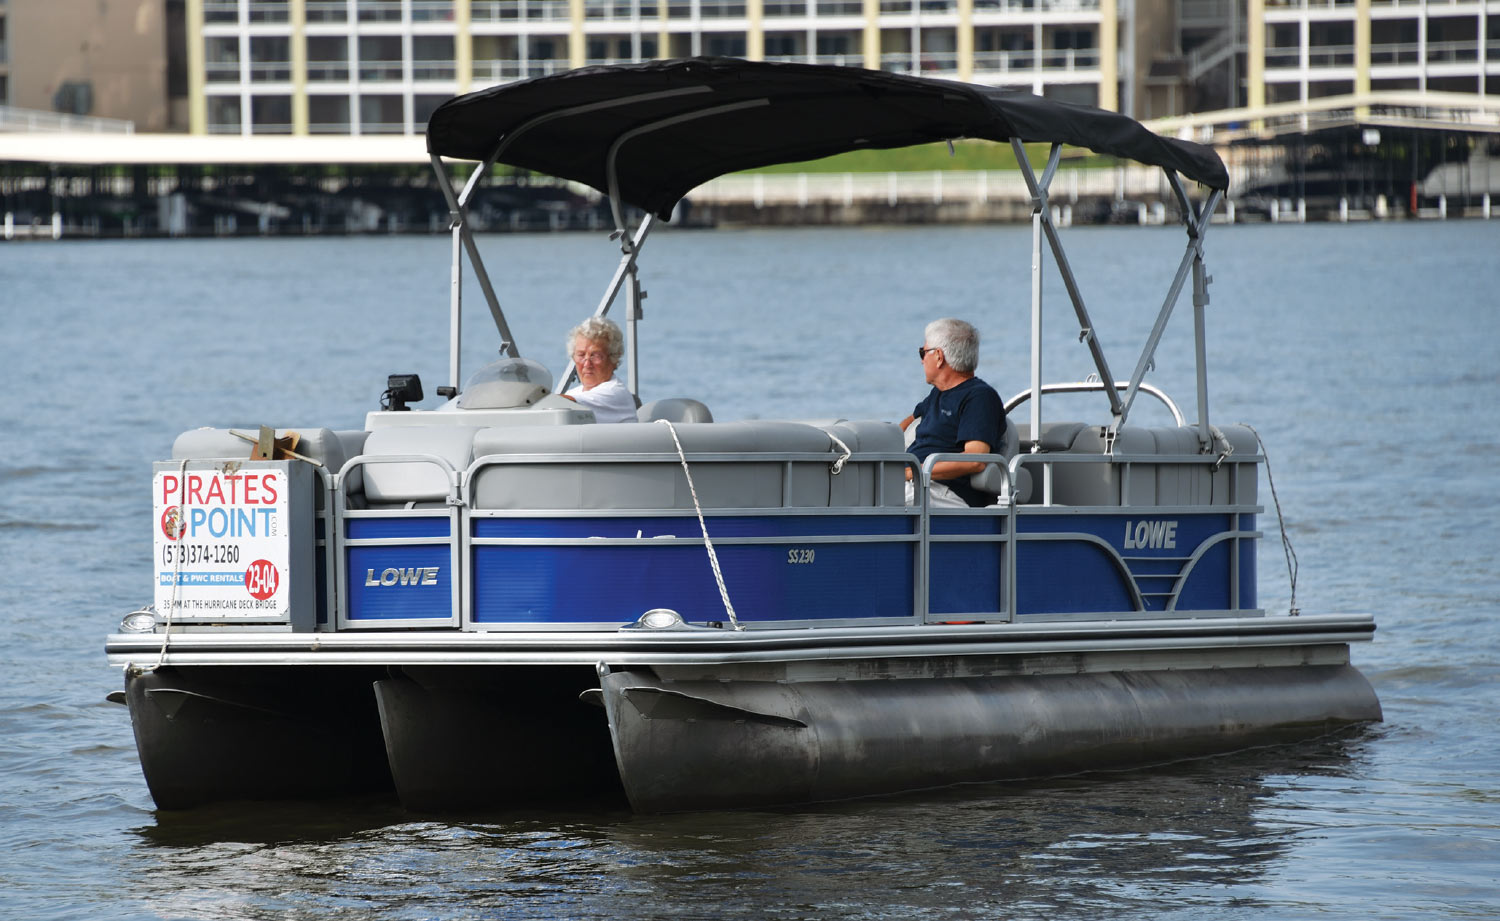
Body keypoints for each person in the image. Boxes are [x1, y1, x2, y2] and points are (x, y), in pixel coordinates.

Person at [900, 318, 1007, 508]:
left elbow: (976, 460)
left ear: (939, 356)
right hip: (918, 484)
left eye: (922, 353)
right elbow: (906, 423)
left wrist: (911, 472)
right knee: (860, 489)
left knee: (879, 499)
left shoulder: (979, 397)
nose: (922, 360)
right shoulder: (937, 394)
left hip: (945, 492)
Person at [560, 317, 638, 423]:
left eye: (595, 356)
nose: (587, 364)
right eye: (581, 355)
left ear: (613, 358)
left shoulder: (614, 392)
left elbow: (560, 404)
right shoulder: (574, 393)